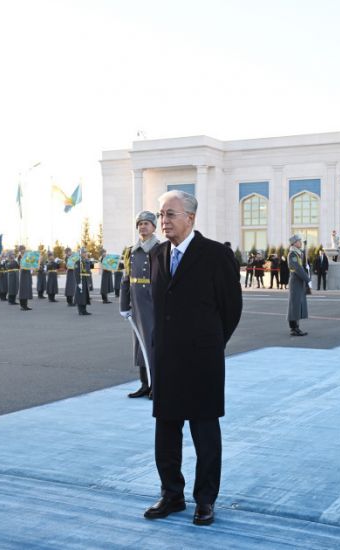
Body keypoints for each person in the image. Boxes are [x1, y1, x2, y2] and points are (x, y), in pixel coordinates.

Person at [144, 190, 242, 527]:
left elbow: (231, 309)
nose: (163, 221)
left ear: (190, 218)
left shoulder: (216, 255)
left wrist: (210, 343)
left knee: (205, 433)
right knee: (166, 431)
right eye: (161, 214)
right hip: (167, 359)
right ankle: (171, 494)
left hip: (203, 360)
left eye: (170, 214)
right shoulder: (157, 255)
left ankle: (205, 500)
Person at [120, 211, 159, 399]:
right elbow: (126, 279)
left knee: (153, 343)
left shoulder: (161, 249)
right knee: (139, 344)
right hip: (136, 302)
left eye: (146, 223)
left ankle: (157, 386)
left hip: (153, 302)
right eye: (140, 224)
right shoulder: (130, 251)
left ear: (154, 227)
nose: (143, 227)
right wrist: (123, 305)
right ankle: (144, 384)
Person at [286, 234, 310, 335]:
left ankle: (296, 327)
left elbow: (302, 266)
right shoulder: (292, 254)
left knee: (298, 304)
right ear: (294, 243)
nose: (300, 242)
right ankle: (293, 328)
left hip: (299, 282)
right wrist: (307, 279)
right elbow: (297, 268)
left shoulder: (298, 253)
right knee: (294, 305)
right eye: (299, 241)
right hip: (295, 281)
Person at [74, 248, 92, 315]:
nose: (85, 254)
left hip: (86, 280)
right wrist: (78, 283)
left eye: (86, 252)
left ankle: (84, 310)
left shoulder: (87, 262)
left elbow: (89, 272)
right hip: (81, 281)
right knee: (80, 296)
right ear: (80, 254)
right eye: (84, 252)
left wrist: (89, 282)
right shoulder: (77, 262)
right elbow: (76, 273)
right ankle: (80, 310)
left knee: (85, 295)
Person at [17, 245, 33, 311]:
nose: (23, 250)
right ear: (20, 250)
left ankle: (25, 305)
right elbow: (20, 264)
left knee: (26, 289)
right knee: (23, 289)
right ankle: (22, 305)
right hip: (23, 273)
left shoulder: (27, 256)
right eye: (22, 249)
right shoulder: (19, 257)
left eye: (24, 249)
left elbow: (31, 263)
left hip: (27, 273)